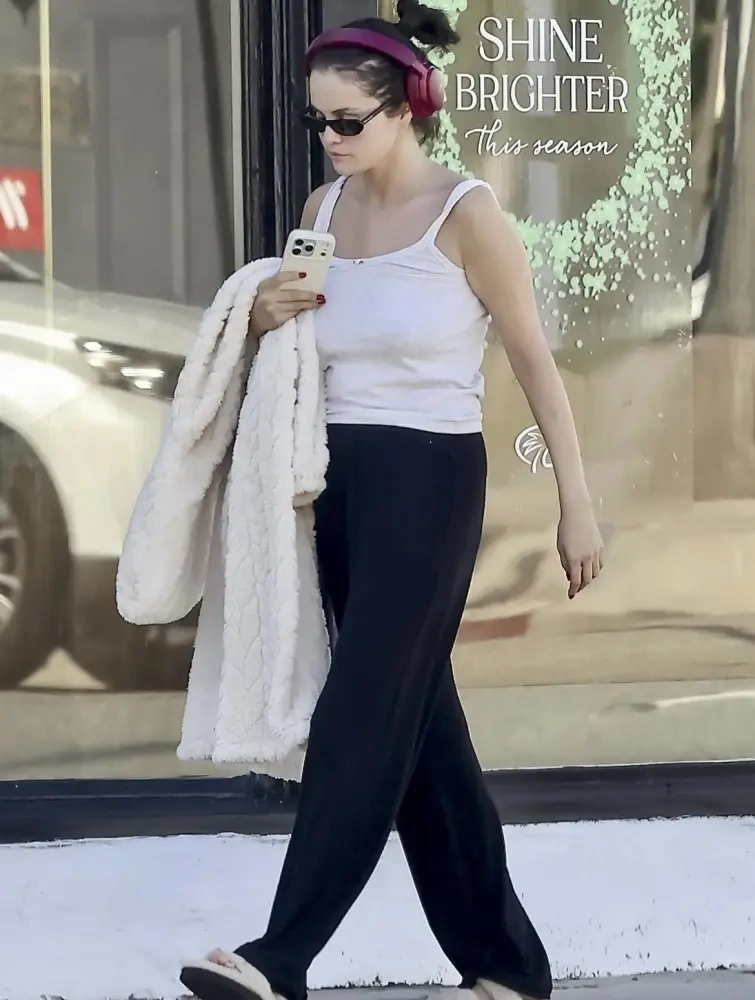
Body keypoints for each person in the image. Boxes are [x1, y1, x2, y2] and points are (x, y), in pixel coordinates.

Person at [180, 3, 603, 1000]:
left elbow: (534, 362)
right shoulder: (323, 209)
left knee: (361, 714)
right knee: (425, 741)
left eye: (347, 121)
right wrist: (261, 312)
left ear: (407, 107)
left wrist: (574, 501)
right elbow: (296, 347)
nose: (329, 138)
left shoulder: (468, 215)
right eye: (316, 121)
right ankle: (507, 966)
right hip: (339, 485)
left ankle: (280, 956)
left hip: (429, 482)